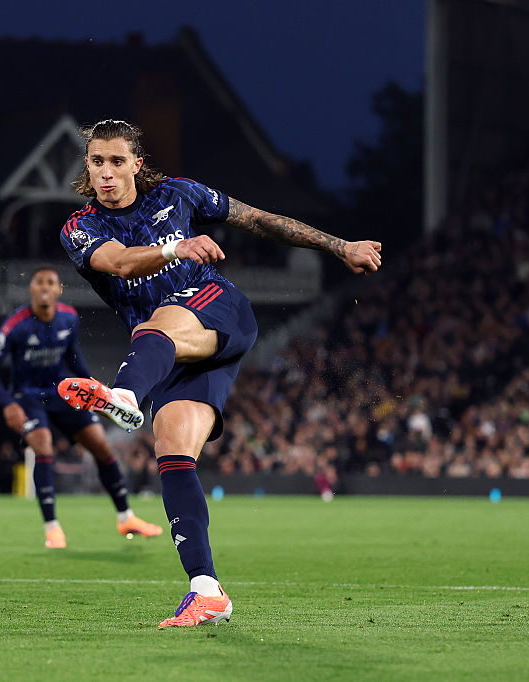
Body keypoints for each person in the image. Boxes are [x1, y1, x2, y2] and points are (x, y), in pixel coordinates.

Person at [57, 120, 382, 627]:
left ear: (137, 164)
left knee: (156, 324)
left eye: (117, 161)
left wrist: (340, 246)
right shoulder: (80, 227)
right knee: (172, 451)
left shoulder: (178, 194)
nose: (106, 172)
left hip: (217, 309)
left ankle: (124, 395)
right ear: (88, 165)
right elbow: (118, 263)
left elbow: (259, 220)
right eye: (97, 161)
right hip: (171, 351)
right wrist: (175, 249)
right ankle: (206, 590)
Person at [0, 265, 163, 549]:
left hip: (62, 392)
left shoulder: (69, 318)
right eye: (39, 281)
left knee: (101, 446)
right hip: (28, 396)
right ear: (31, 289)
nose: (44, 286)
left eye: (50, 282)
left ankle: (126, 517)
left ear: (58, 290)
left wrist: (95, 388)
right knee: (43, 446)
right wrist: (7, 404)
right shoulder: (15, 325)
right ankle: (52, 528)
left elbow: (73, 358)